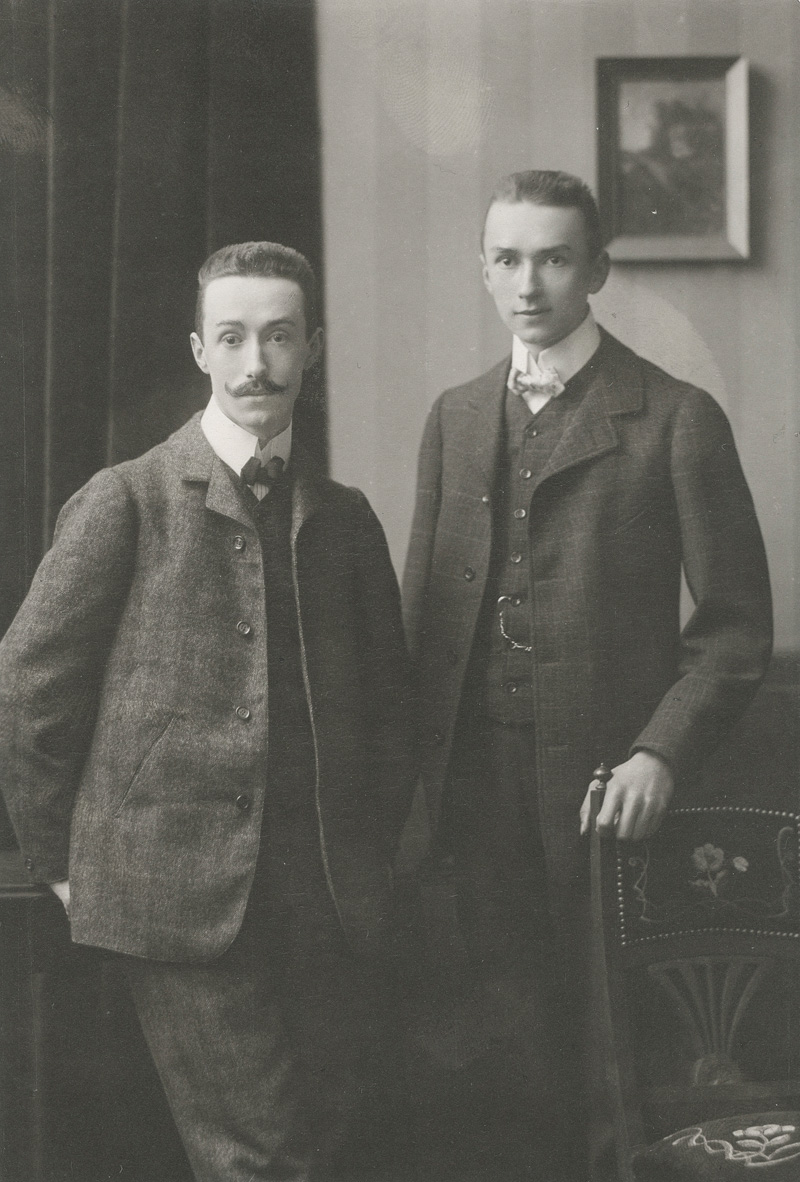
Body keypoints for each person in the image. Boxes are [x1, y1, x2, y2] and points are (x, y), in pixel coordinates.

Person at [0, 241, 415, 1182]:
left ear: (314, 348)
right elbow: (26, 692)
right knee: (258, 1158)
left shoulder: (344, 518)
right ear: (199, 349)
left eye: (278, 336)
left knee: (324, 1140)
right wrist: (64, 864)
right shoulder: (127, 501)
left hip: (328, 902)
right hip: (178, 904)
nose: (255, 363)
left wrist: (368, 850)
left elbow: (390, 712)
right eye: (232, 338)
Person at [402, 170, 772, 1179]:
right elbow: (423, 619)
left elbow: (736, 630)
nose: (530, 282)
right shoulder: (455, 416)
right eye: (509, 258)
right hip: (468, 787)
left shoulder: (671, 417)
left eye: (555, 257)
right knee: (488, 1047)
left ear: (596, 269)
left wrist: (659, 751)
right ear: (483, 269)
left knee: (602, 1049)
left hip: (601, 790)